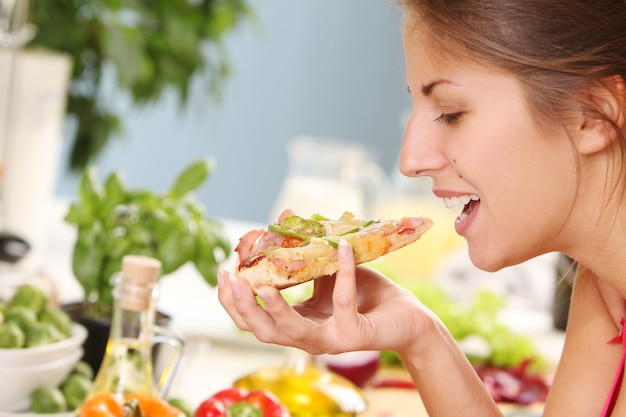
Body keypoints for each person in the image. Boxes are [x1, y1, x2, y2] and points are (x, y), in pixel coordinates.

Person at [217, 0, 626, 415]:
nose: (409, 161)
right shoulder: (606, 288)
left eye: (451, 113)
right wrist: (420, 335)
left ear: (591, 114)